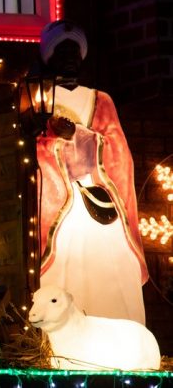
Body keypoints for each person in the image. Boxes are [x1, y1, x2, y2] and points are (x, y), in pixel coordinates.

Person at [35, 21, 148, 323]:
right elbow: (33, 148)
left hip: (99, 197)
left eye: (74, 51)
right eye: (62, 50)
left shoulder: (101, 99)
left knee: (110, 267)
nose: (70, 57)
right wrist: (55, 140)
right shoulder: (39, 98)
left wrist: (80, 136)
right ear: (50, 56)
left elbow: (118, 150)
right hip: (58, 200)